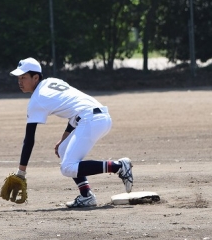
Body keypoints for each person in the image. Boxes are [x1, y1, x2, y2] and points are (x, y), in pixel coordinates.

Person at [9, 57, 133, 208]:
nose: (20, 81)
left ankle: (118, 166)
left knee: (67, 168)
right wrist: (64, 139)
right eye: (18, 78)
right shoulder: (52, 82)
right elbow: (75, 109)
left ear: (35, 77)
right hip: (98, 117)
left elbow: (29, 139)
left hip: (90, 120)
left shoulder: (37, 99)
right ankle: (86, 196)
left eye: (23, 77)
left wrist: (21, 172)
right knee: (63, 149)